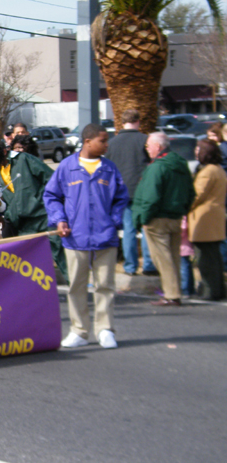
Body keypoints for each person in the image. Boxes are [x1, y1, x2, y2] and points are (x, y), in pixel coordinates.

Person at [44, 123, 129, 349]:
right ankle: (79, 331)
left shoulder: (109, 168)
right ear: (88, 141)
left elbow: (121, 198)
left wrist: (114, 220)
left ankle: (105, 329)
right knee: (76, 287)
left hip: (105, 237)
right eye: (103, 140)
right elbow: (51, 196)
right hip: (75, 238)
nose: (107, 145)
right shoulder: (66, 167)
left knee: (105, 285)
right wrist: (59, 219)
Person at [132, 132, 196, 307]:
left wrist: (143, 218)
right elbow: (191, 192)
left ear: (158, 147)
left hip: (157, 219)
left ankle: (172, 294)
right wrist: (183, 210)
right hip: (176, 216)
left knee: (162, 259)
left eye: (148, 146)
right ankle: (175, 292)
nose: (147, 149)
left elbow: (150, 197)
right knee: (173, 257)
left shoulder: (157, 168)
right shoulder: (181, 165)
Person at [2, 134, 68, 283]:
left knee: (58, 251)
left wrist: (41, 200)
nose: (19, 151)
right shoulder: (3, 170)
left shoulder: (29, 161)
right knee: (30, 259)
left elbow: (52, 181)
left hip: (43, 216)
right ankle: (36, 289)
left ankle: (73, 283)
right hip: (24, 223)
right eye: (16, 148)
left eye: (22, 148)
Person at [106, 109, 156, 276]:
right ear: (138, 121)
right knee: (146, 228)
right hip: (143, 191)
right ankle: (148, 265)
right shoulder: (145, 140)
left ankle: (130, 266)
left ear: (121, 123)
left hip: (122, 192)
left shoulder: (112, 143)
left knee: (128, 230)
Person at [187, 140, 226, 300]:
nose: (196, 151)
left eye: (198, 149)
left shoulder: (207, 172)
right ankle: (218, 290)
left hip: (204, 219)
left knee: (205, 259)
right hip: (215, 217)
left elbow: (196, 195)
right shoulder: (218, 169)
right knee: (214, 257)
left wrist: (183, 207)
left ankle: (210, 291)